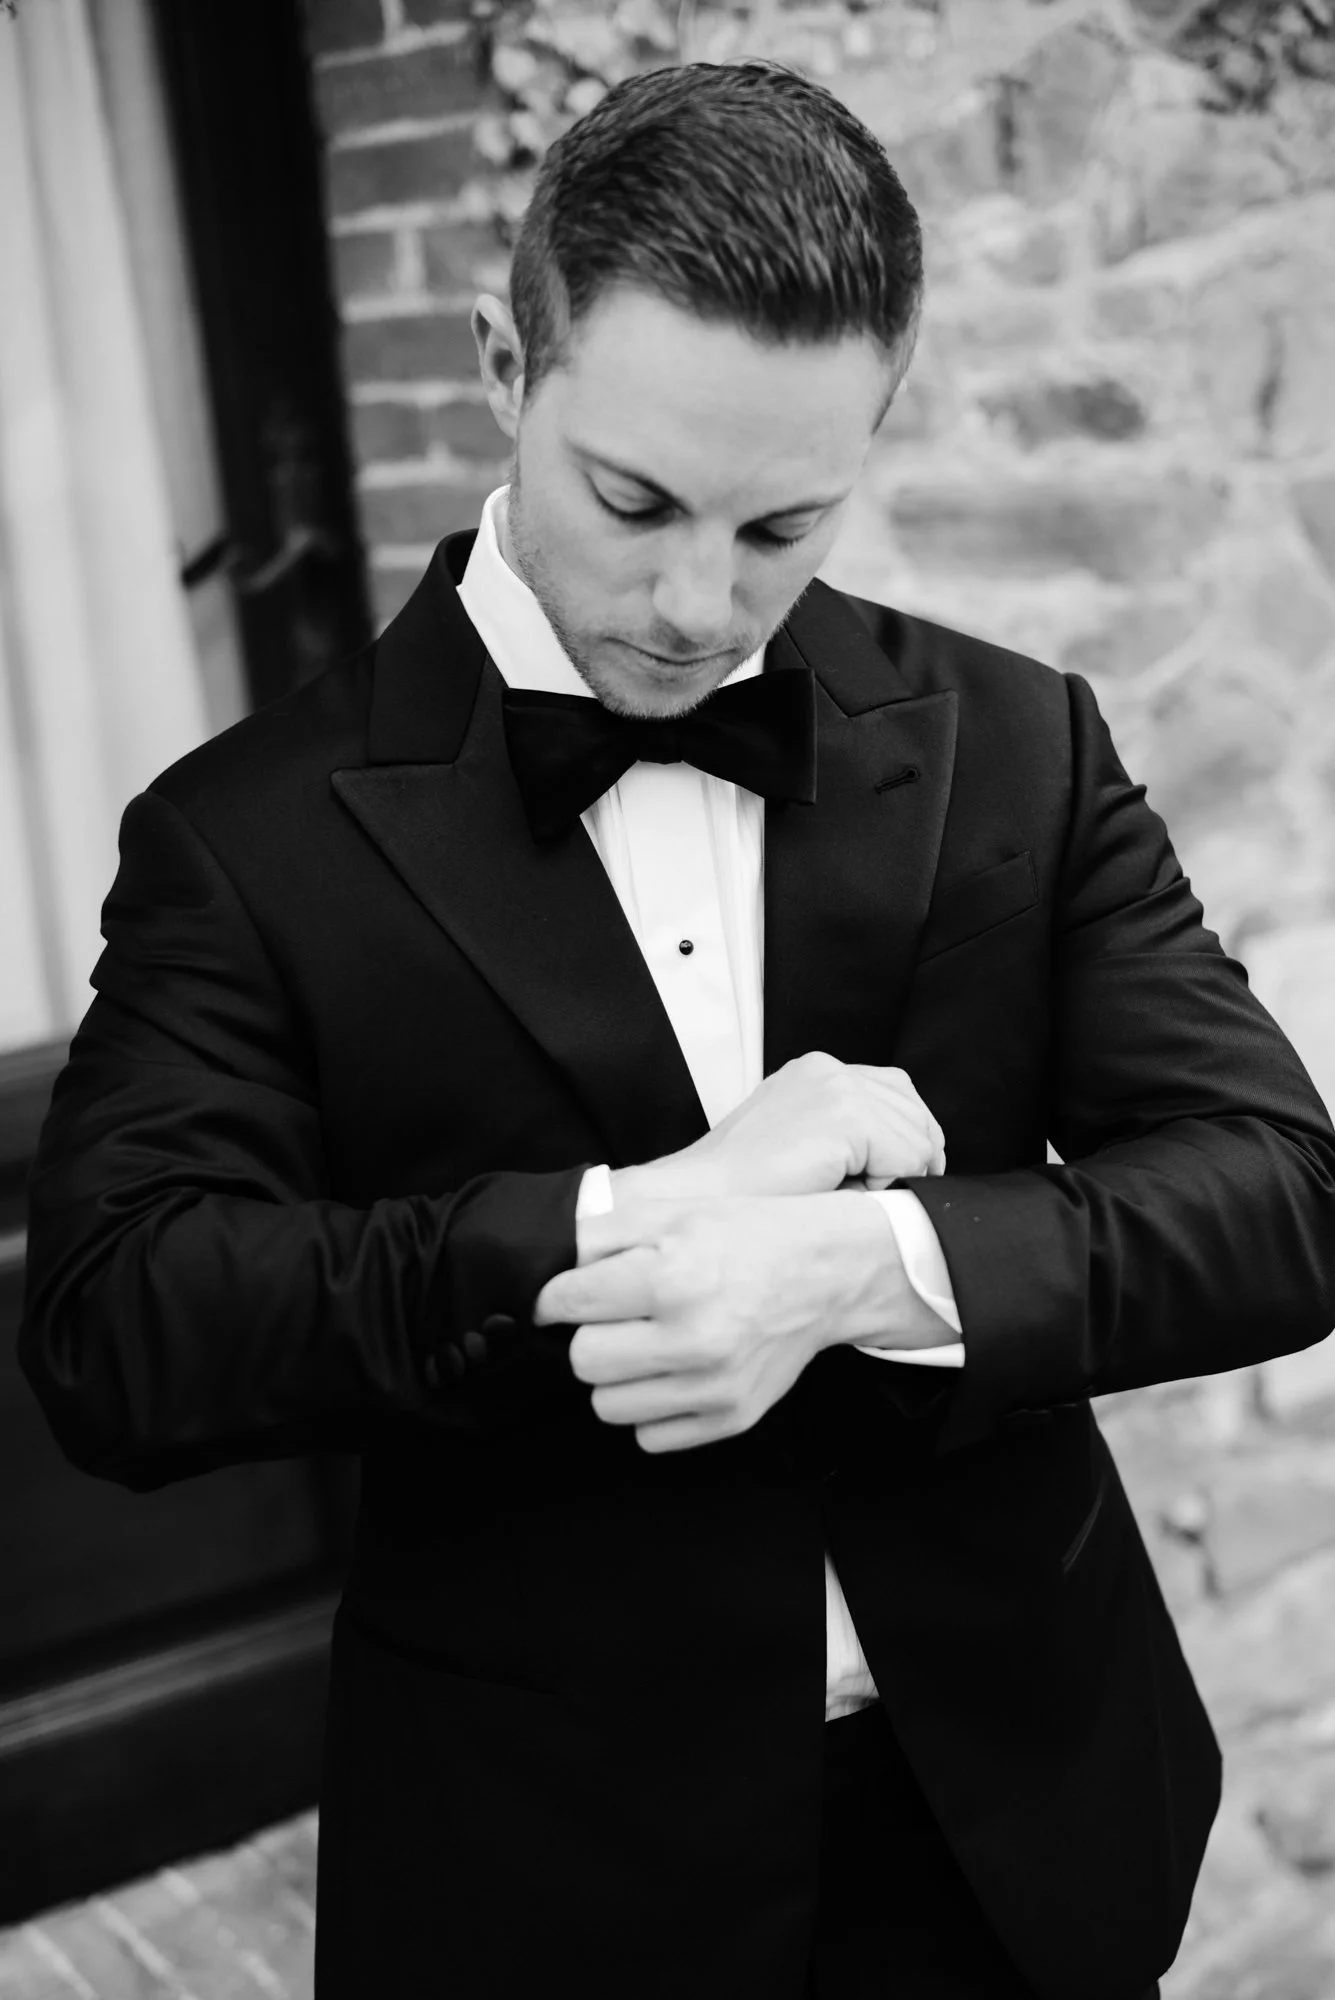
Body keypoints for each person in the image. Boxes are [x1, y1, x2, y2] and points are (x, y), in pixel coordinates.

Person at [20, 58, 1335, 2000]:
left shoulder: (1013, 742)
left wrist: (865, 1263)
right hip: (550, 1864)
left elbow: (1281, 1196)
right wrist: (618, 1230)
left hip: (1019, 1808)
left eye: (781, 525)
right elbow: (121, 1330)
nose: (692, 606)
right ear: (499, 365)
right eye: (629, 499)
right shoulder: (242, 838)